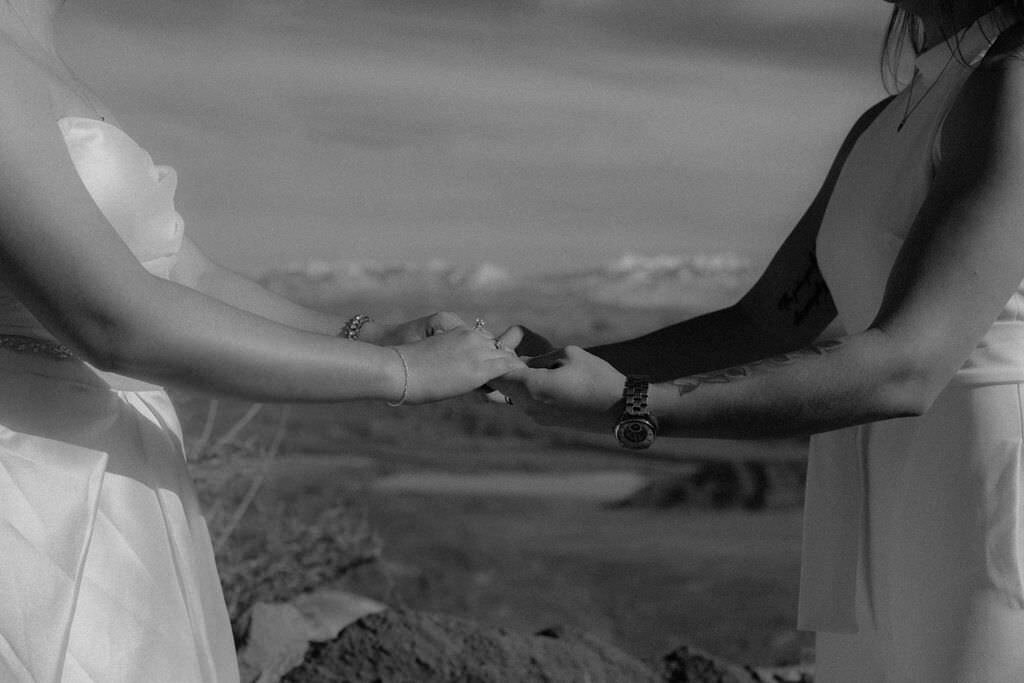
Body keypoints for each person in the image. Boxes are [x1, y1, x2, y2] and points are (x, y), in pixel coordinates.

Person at [0, 1, 526, 680]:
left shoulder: (44, 63)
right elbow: (111, 318)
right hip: (33, 492)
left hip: (120, 476)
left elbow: (189, 274)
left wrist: (370, 336)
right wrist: (397, 371)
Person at [502, 1, 1024, 680]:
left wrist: (630, 401)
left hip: (982, 495)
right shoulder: (889, 119)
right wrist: (555, 366)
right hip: (879, 495)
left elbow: (909, 364)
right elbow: (768, 322)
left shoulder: (1013, 84)